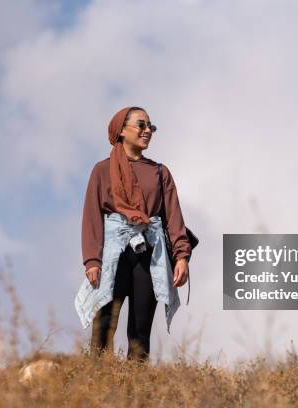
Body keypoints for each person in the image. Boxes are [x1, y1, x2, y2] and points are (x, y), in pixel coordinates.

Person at [74, 106, 192, 361]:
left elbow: (173, 217)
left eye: (151, 126)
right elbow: (92, 217)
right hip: (113, 253)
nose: (148, 130)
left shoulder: (160, 172)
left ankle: (136, 391)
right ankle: (96, 385)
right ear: (121, 130)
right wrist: (92, 261)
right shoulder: (102, 171)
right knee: (104, 323)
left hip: (150, 253)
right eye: (141, 125)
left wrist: (181, 256)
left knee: (140, 329)